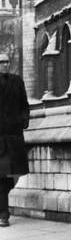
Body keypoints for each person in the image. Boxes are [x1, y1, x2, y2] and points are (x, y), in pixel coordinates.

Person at [0, 51, 30, 227]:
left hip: (14, 137)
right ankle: (3, 214)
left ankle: (2, 209)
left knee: (14, 176)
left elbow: (24, 105)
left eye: (7, 62)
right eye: (2, 62)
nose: (5, 65)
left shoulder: (17, 81)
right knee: (2, 177)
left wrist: (23, 120)